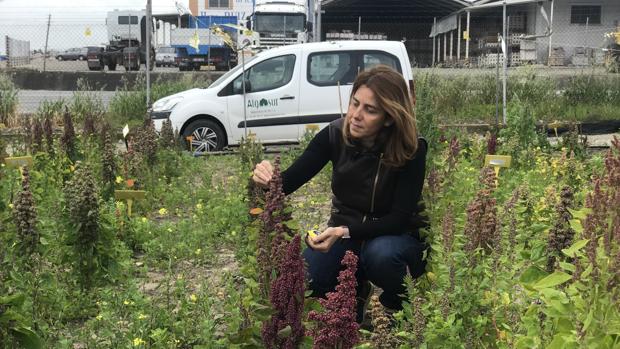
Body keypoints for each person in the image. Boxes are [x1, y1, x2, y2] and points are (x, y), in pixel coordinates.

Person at [252, 65, 428, 321]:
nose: (356, 115)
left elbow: (398, 218)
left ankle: (396, 306)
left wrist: (342, 231)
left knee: (382, 256)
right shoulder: (335, 134)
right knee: (309, 275)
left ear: (389, 117)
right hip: (346, 232)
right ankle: (354, 294)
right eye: (355, 103)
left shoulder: (411, 149)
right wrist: (264, 176)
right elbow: (286, 183)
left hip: (396, 237)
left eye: (370, 110)